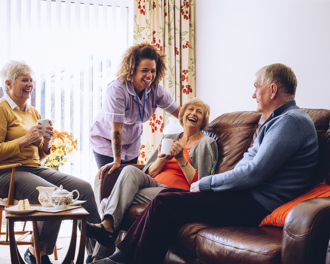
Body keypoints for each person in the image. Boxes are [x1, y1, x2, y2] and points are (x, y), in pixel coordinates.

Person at [93, 63, 319, 264]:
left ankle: (122, 258)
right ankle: (122, 257)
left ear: (272, 90)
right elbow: (247, 168)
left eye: (256, 87)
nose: (253, 94)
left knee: (165, 203)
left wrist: (208, 183)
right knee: (163, 199)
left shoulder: (291, 122)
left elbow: (253, 172)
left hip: (255, 203)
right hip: (244, 196)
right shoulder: (275, 121)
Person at [87, 98, 218, 261]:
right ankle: (105, 236)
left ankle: (97, 255)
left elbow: (201, 183)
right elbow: (150, 171)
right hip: (153, 184)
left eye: (199, 112)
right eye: (190, 109)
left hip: (175, 193)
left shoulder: (206, 143)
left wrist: (180, 159)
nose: (194, 113)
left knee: (111, 202)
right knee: (129, 170)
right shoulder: (170, 137)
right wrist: (163, 158)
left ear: (203, 120)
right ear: (182, 115)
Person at [0, 60, 101, 264]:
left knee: (84, 188)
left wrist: (46, 143)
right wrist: (25, 139)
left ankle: (99, 254)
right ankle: (37, 252)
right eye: (24, 80)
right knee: (55, 196)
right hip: (7, 173)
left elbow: (38, 155)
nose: (30, 84)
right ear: (9, 84)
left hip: (34, 169)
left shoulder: (33, 112)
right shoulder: (2, 109)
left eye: (31, 79)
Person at [89, 42, 181, 178]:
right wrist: (117, 160)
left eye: (153, 71)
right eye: (144, 70)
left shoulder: (155, 90)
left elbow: (181, 114)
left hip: (131, 142)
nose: (150, 75)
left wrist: (202, 128)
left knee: (128, 182)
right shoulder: (117, 90)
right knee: (110, 181)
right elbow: (117, 130)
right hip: (107, 140)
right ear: (132, 70)